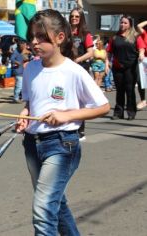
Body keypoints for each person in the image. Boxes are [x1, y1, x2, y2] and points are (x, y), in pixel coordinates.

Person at [16, 9, 110, 235]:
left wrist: (67, 115)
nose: (34, 42)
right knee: (56, 203)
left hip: (61, 143)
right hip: (32, 143)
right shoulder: (31, 69)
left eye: (41, 37)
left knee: (43, 208)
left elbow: (103, 106)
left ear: (60, 38)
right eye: (32, 37)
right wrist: (24, 114)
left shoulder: (73, 71)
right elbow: (30, 102)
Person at [107, 15, 145, 120]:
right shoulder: (114, 37)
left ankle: (131, 112)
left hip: (131, 68)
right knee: (119, 90)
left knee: (130, 90)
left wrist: (141, 54)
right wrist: (107, 63)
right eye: (121, 22)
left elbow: (141, 48)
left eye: (125, 23)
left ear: (129, 25)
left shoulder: (135, 36)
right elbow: (109, 52)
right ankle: (118, 112)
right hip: (117, 67)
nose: (122, 24)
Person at [69, 7, 94, 141]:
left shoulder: (86, 34)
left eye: (77, 16)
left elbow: (91, 53)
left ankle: (80, 130)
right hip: (67, 68)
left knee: (79, 101)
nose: (74, 18)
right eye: (72, 16)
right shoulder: (66, 32)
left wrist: (77, 60)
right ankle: (69, 127)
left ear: (81, 18)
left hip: (81, 68)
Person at [136, 20, 147, 110]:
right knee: (141, 81)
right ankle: (143, 100)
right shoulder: (145, 34)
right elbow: (139, 26)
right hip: (144, 61)